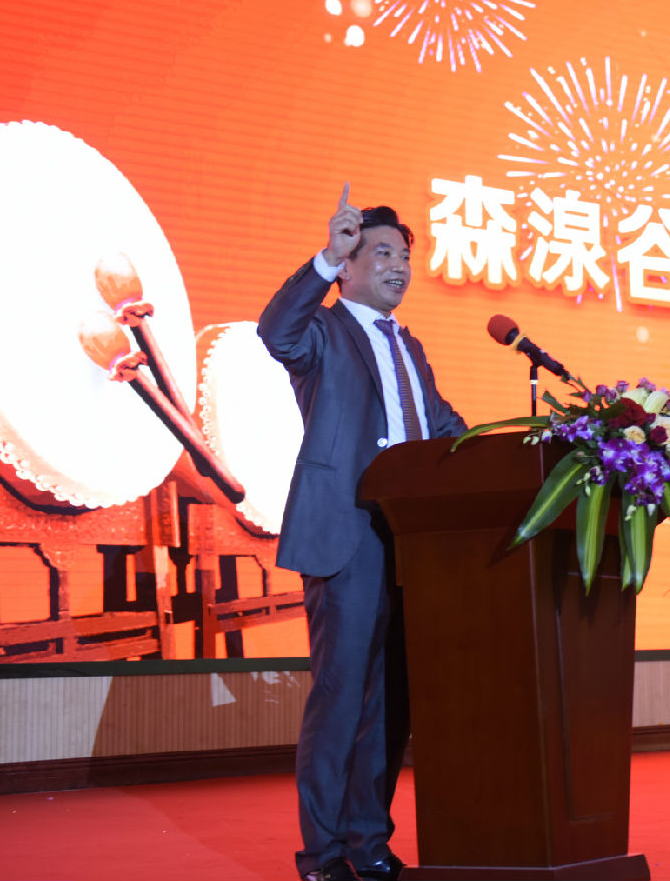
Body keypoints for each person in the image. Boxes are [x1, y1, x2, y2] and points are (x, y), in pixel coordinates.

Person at [259, 185, 467, 881]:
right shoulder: (322, 332)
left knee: (390, 705)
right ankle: (322, 853)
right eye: (381, 253)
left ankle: (369, 842)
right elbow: (275, 331)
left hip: (411, 542)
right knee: (342, 695)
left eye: (404, 256)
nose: (398, 266)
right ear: (346, 263)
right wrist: (321, 258)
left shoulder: (410, 347)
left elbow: (443, 427)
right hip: (347, 535)